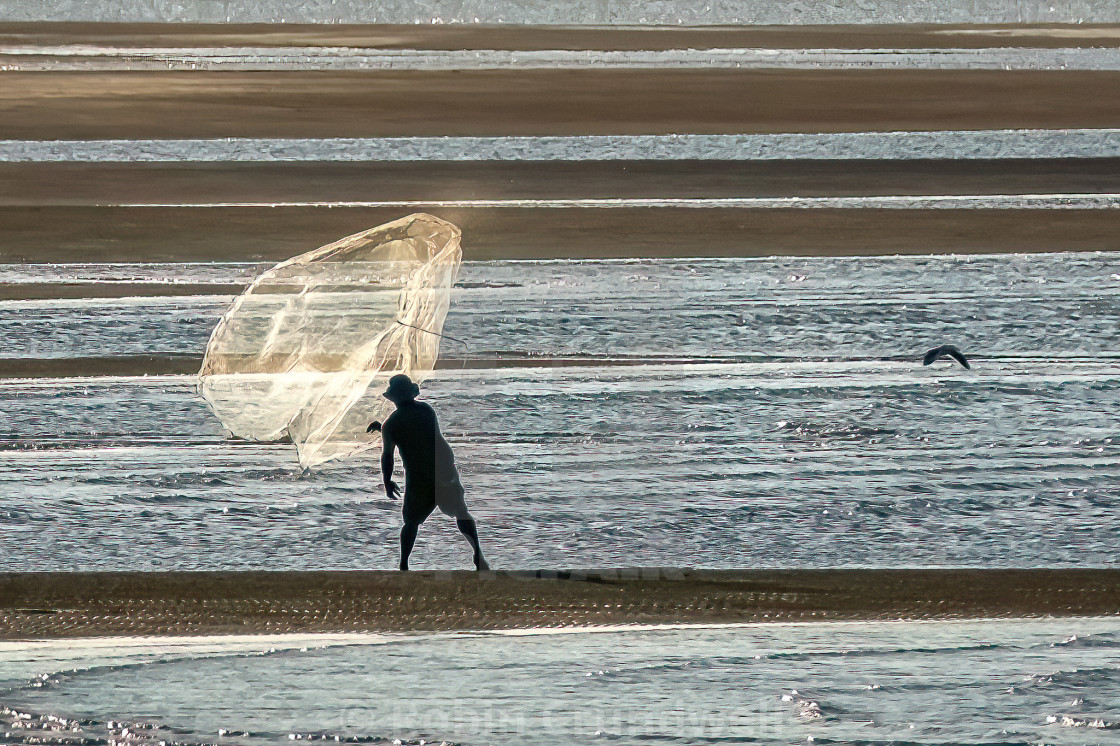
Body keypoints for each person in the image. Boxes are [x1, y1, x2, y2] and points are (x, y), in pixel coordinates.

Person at [369, 374, 489, 571]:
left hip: (419, 475)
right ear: (412, 394)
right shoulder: (426, 410)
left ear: (393, 398)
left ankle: (404, 564)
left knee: (410, 522)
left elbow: (388, 456)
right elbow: (416, 430)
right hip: (442, 467)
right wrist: (383, 428)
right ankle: (478, 553)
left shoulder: (392, 424)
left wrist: (387, 480)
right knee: (461, 512)